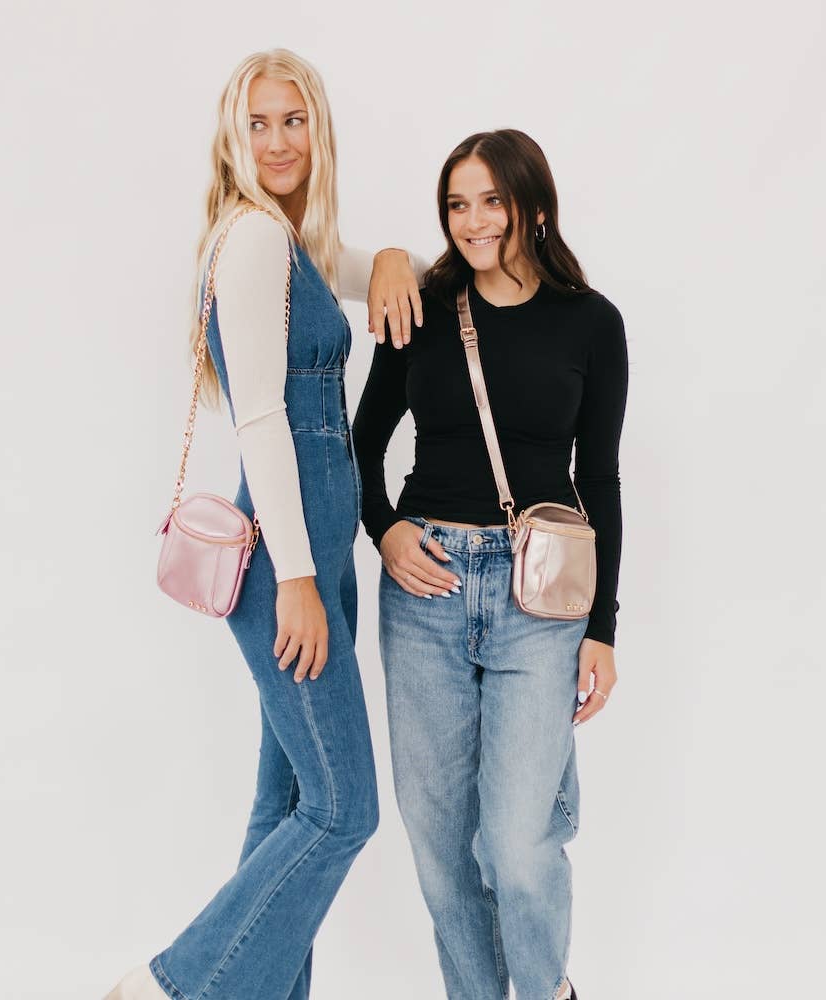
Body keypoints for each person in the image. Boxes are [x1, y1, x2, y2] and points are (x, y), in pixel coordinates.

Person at [106, 49, 424, 1000]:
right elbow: (259, 420)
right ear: (232, 139)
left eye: (295, 120)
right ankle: (170, 985)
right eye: (259, 123)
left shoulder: (289, 243)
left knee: (284, 802)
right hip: (293, 560)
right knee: (342, 810)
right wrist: (296, 579)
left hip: (318, 552)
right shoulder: (250, 239)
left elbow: (384, 273)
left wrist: (394, 256)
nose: (279, 141)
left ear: (316, 130)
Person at [353, 129, 629, 1000]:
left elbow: (600, 478)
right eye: (457, 204)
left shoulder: (592, 323)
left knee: (515, 844)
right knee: (440, 847)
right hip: (425, 588)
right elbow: (362, 444)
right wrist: (385, 530)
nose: (473, 222)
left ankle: (547, 991)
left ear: (533, 206)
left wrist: (602, 629)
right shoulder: (423, 309)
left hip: (539, 596)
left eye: (492, 202)